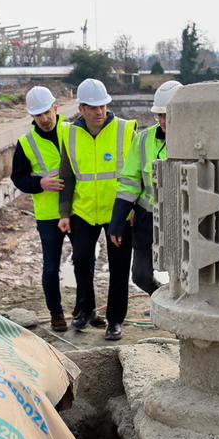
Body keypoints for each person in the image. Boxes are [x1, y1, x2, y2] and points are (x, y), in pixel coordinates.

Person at [59, 77, 137, 340]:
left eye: (102, 106)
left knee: (119, 266)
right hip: (84, 210)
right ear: (81, 108)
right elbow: (67, 175)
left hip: (119, 211)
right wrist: (64, 213)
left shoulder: (125, 130)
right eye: (92, 107)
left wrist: (133, 209)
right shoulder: (69, 134)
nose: (99, 112)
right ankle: (86, 309)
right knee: (81, 260)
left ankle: (115, 320)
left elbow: (136, 174)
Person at [110, 80, 180, 300]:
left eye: (168, 115)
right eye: (160, 116)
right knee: (140, 276)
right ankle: (161, 298)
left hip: (182, 221)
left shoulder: (198, 141)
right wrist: (117, 221)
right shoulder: (143, 140)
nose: (163, 121)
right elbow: (129, 182)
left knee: (182, 276)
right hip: (147, 220)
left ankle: (178, 308)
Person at [10, 85, 71, 332]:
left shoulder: (73, 131)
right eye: (38, 115)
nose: (44, 119)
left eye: (47, 112)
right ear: (32, 116)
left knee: (84, 262)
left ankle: (85, 310)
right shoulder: (26, 143)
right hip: (47, 215)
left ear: (56, 108)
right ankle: (56, 314)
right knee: (51, 267)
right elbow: (18, 178)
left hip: (77, 209)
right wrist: (40, 183)